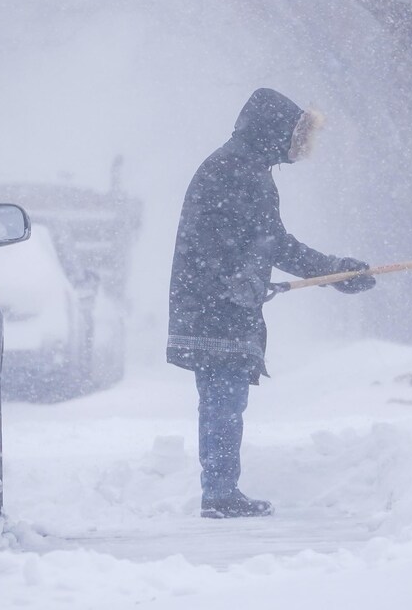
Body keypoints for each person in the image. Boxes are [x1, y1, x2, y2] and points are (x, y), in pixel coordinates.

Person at [167, 88, 375, 519]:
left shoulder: (237, 165)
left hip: (212, 299)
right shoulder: (240, 170)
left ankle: (220, 489)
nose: (301, 146)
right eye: (298, 134)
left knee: (220, 398)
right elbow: (272, 243)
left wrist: (260, 276)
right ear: (274, 131)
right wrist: (332, 271)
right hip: (218, 305)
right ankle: (220, 494)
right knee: (224, 399)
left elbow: (253, 243)